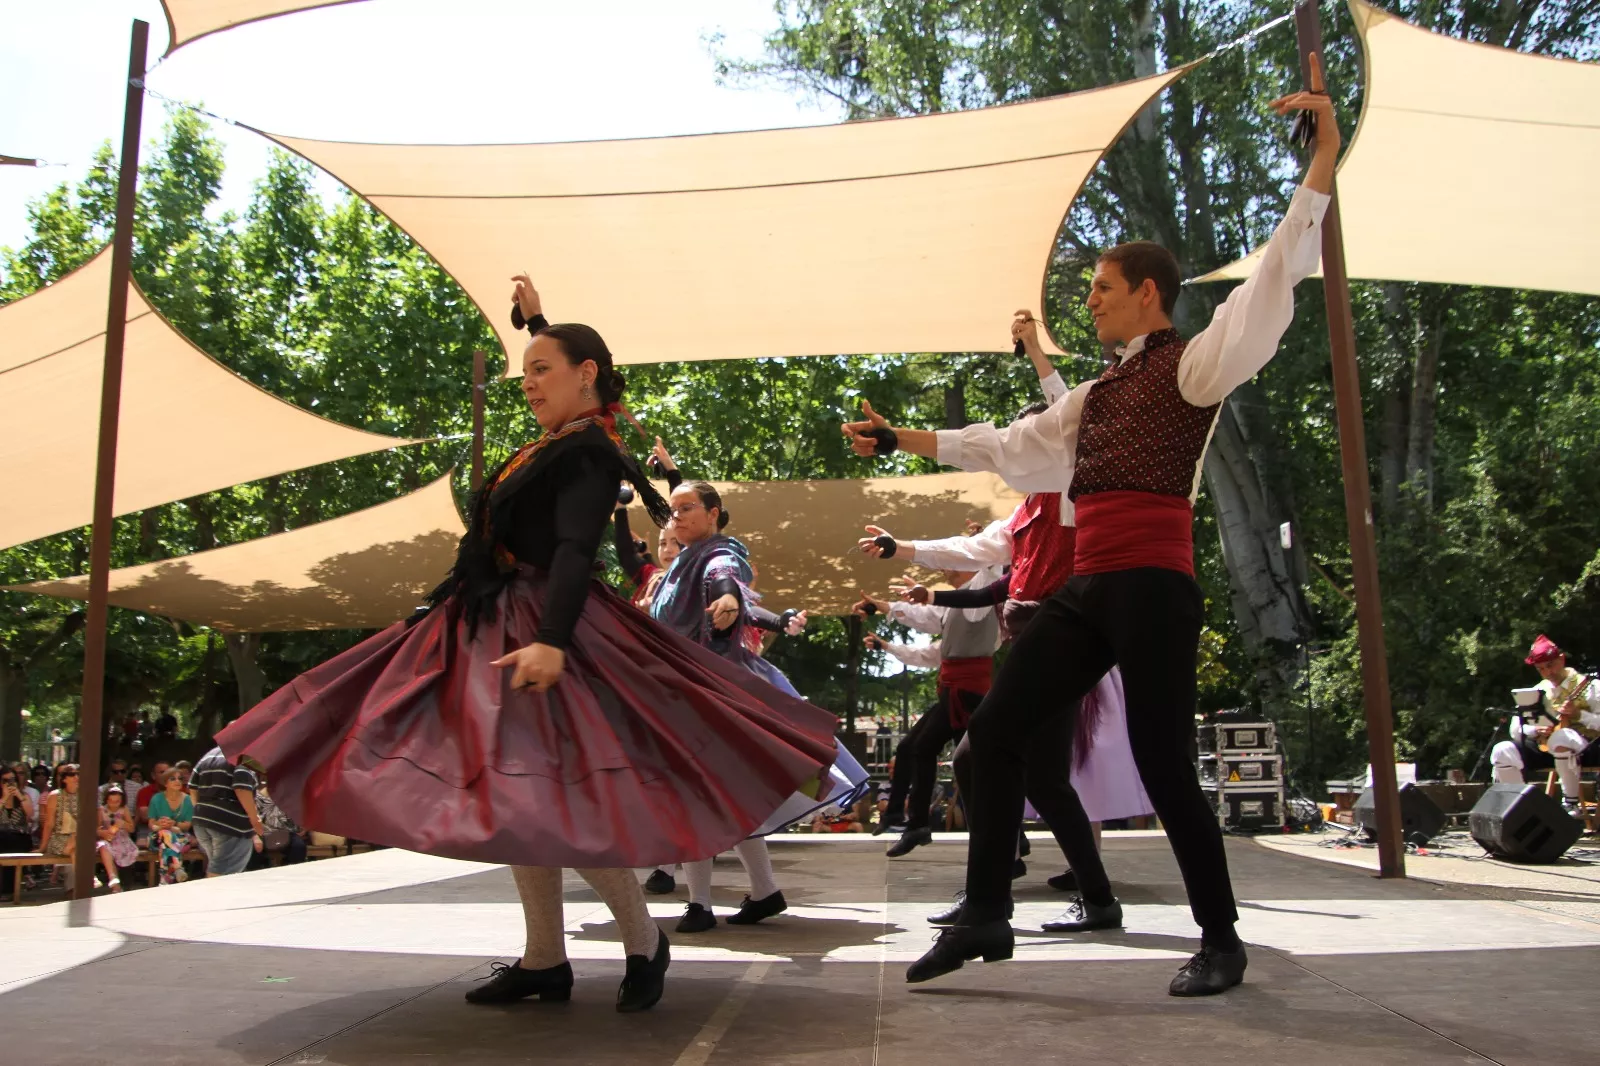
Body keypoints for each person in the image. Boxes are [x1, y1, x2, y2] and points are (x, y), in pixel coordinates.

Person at [216, 273, 840, 1014]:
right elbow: (573, 401)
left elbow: (577, 548)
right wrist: (536, 326)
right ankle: (549, 957)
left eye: (541, 371)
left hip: (543, 628)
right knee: (515, 800)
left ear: (587, 377)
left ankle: (636, 939)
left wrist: (551, 642)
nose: (527, 384)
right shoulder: (564, 441)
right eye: (524, 374)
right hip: (492, 619)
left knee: (540, 800)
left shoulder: (587, 452)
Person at [840, 75, 1341, 996]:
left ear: (1149, 294)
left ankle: (1219, 937)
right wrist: (902, 437)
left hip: (1154, 586)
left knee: (1163, 760)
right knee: (989, 738)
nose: (1093, 302)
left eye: (1104, 289)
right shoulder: (1094, 396)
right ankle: (989, 913)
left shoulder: (1194, 368)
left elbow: (1272, 279)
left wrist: (1318, 163)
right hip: (1087, 589)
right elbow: (1011, 445)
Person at [650, 478, 867, 934]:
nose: (677, 517)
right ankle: (764, 893)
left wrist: (729, 595)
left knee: (698, 797)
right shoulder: (679, 562)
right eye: (673, 512)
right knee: (729, 799)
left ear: (714, 513)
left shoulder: (717, 555)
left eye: (688, 509)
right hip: (683, 694)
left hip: (710, 696)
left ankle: (700, 904)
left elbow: (725, 579)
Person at [855, 567, 1001, 859]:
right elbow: (928, 625)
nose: (945, 570)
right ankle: (912, 822)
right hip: (954, 691)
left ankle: (918, 824)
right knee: (923, 750)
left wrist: (982, 546)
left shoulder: (982, 600)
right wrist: (887, 609)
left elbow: (986, 565)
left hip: (967, 694)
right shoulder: (955, 609)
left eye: (953, 563)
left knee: (947, 759)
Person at [1493, 635, 1599, 813]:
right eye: (1540, 669)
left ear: (1561, 659)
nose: (1548, 673)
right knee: (1502, 750)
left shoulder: (1591, 686)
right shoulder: (1538, 690)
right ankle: (1522, 808)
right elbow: (1515, 730)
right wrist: (1534, 730)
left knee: (1561, 737)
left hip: (1587, 747)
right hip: (1547, 749)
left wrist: (1579, 714)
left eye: (1550, 665)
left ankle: (1571, 803)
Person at [190, 746, 267, 878]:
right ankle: (213, 898)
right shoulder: (241, 758)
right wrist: (255, 819)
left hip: (202, 821)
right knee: (222, 873)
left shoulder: (209, 755)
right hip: (229, 824)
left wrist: (203, 811)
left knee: (219, 865)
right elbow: (241, 787)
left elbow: (193, 787)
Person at [145, 767, 195, 885]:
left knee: (166, 842)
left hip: (180, 837)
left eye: (180, 779)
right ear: (165, 783)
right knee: (165, 834)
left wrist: (174, 824)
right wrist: (159, 824)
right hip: (157, 838)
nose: (178, 781)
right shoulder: (156, 799)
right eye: (173, 779)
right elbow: (151, 823)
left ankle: (164, 880)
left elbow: (187, 825)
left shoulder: (187, 799)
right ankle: (177, 867)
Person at [0, 767, 34, 895]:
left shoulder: (24, 797)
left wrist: (19, 797)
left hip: (19, 837)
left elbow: (30, 815)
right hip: (2, 838)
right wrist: (4, 798)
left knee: (12, 841)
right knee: (5, 839)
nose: (9, 783)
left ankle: (8, 890)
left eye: (12, 779)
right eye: (5, 780)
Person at [96, 788, 138, 891]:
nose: (114, 804)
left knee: (123, 853)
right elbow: (96, 829)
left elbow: (132, 828)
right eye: (111, 801)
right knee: (104, 848)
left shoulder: (124, 809)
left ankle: (121, 883)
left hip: (122, 839)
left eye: (117, 802)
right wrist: (103, 833)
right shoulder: (102, 810)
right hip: (108, 839)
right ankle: (114, 880)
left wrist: (123, 824)